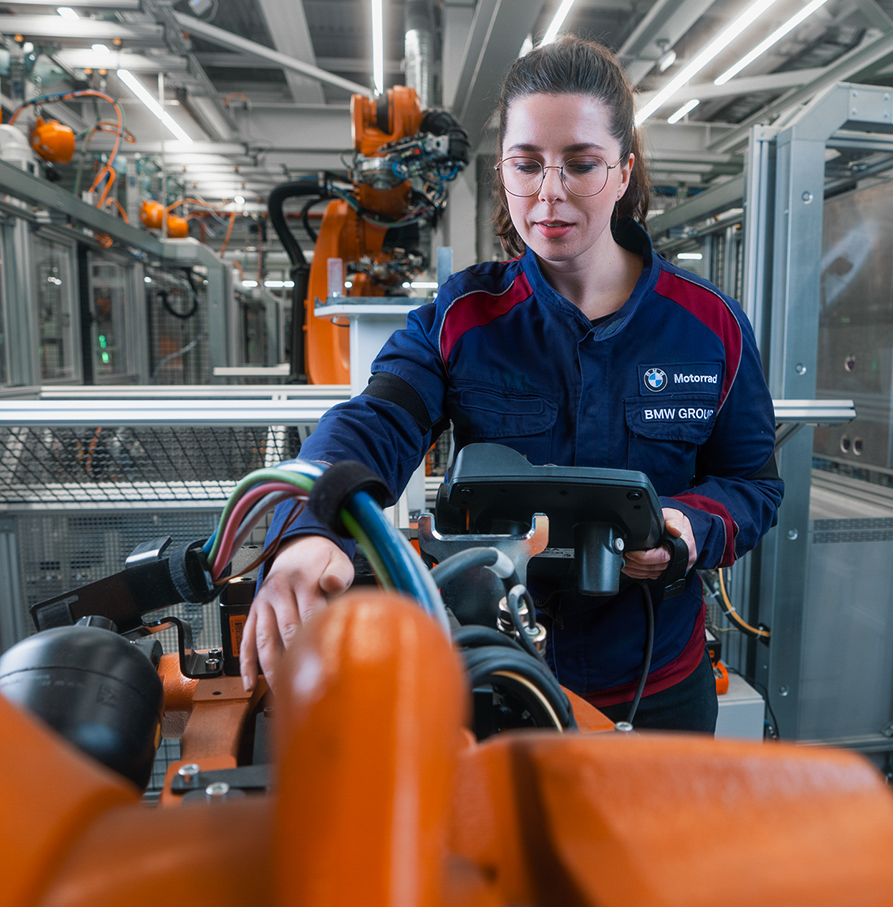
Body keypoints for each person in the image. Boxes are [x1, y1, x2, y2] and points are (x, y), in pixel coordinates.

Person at [241, 36, 783, 732]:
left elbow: (753, 484)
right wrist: (313, 526)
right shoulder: (463, 317)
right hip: (504, 677)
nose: (549, 194)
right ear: (502, 172)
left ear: (623, 172)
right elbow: (376, 420)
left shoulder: (711, 327)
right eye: (526, 165)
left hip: (657, 686)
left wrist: (689, 526)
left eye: (581, 164)